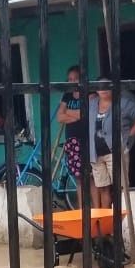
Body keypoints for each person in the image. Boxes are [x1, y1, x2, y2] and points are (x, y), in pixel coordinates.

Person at [87, 81, 135, 209]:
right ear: (96, 90)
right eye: (100, 87)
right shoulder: (91, 104)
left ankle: (123, 220)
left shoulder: (122, 103)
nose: (104, 89)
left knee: (121, 187)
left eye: (107, 86)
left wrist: (130, 134)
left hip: (116, 151)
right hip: (96, 154)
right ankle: (108, 222)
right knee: (103, 188)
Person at [55, 65, 91, 199]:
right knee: (79, 179)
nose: (73, 81)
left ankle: (95, 211)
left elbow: (87, 113)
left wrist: (68, 113)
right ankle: (83, 213)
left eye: (76, 78)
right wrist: (78, 114)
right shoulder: (67, 95)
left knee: (91, 178)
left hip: (87, 139)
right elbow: (59, 117)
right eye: (70, 79)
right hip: (72, 140)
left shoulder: (89, 92)